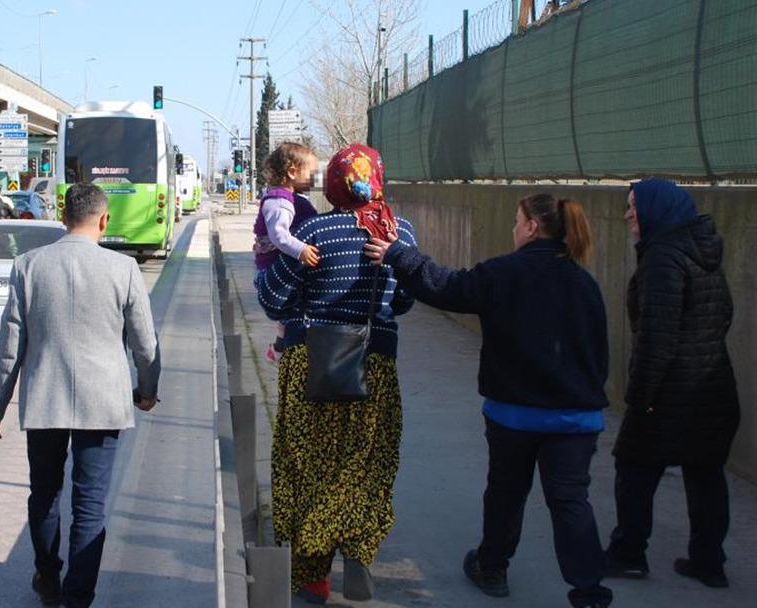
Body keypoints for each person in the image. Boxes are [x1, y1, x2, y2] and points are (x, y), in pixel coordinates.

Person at [364, 193, 614, 608]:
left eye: (517, 221)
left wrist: (398, 255)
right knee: (570, 500)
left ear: (532, 225)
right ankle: (589, 591)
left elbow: (447, 287)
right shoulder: (583, 282)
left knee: (506, 491)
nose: (514, 228)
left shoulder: (505, 273)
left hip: (516, 415)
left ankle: (492, 567)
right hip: (576, 419)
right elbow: (599, 354)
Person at [0, 183, 161, 608]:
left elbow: (10, 346)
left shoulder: (28, 266)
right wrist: (147, 390)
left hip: (45, 403)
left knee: (44, 494)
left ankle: (47, 577)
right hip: (104, 404)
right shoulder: (124, 269)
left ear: (63, 217)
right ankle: (78, 598)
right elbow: (145, 344)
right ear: (103, 220)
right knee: (90, 505)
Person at [258, 144, 416, 605]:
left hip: (314, 363)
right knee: (365, 464)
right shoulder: (400, 231)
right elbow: (403, 302)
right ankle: (360, 553)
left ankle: (312, 578)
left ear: (334, 183)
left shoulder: (313, 230)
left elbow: (273, 300)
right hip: (376, 363)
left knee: (307, 465)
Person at [605, 178, 739, 588]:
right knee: (705, 473)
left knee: (634, 468)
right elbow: (725, 314)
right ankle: (708, 562)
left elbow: (655, 339)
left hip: (669, 394)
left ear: (656, 211)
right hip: (712, 389)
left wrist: (639, 396)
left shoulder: (663, 258)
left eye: (634, 207)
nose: (628, 215)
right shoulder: (702, 251)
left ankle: (628, 553)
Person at [252, 142, 320, 363]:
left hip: (275, 266)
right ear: (292, 172)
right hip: (272, 269)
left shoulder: (289, 198)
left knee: (289, 312)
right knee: (290, 309)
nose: (315, 178)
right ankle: (283, 347)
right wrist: (301, 250)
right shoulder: (279, 201)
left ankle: (280, 345)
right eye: (312, 173)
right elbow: (279, 236)